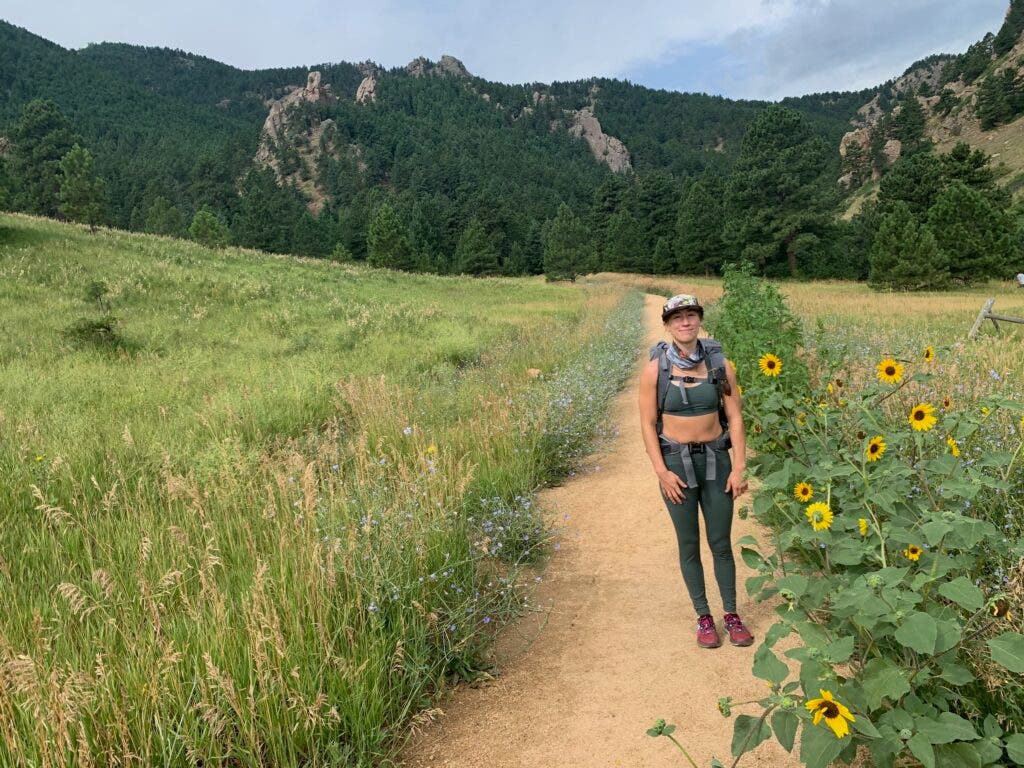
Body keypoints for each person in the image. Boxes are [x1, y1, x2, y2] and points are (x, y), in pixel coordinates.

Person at [639, 294, 753, 649]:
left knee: (720, 543)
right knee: (688, 544)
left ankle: (731, 614)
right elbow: (647, 423)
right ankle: (704, 616)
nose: (685, 323)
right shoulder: (655, 370)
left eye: (691, 316)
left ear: (699, 320)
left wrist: (739, 467)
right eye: (677, 318)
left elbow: (734, 417)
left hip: (717, 462)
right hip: (676, 467)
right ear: (668, 325)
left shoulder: (721, 365)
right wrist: (661, 471)